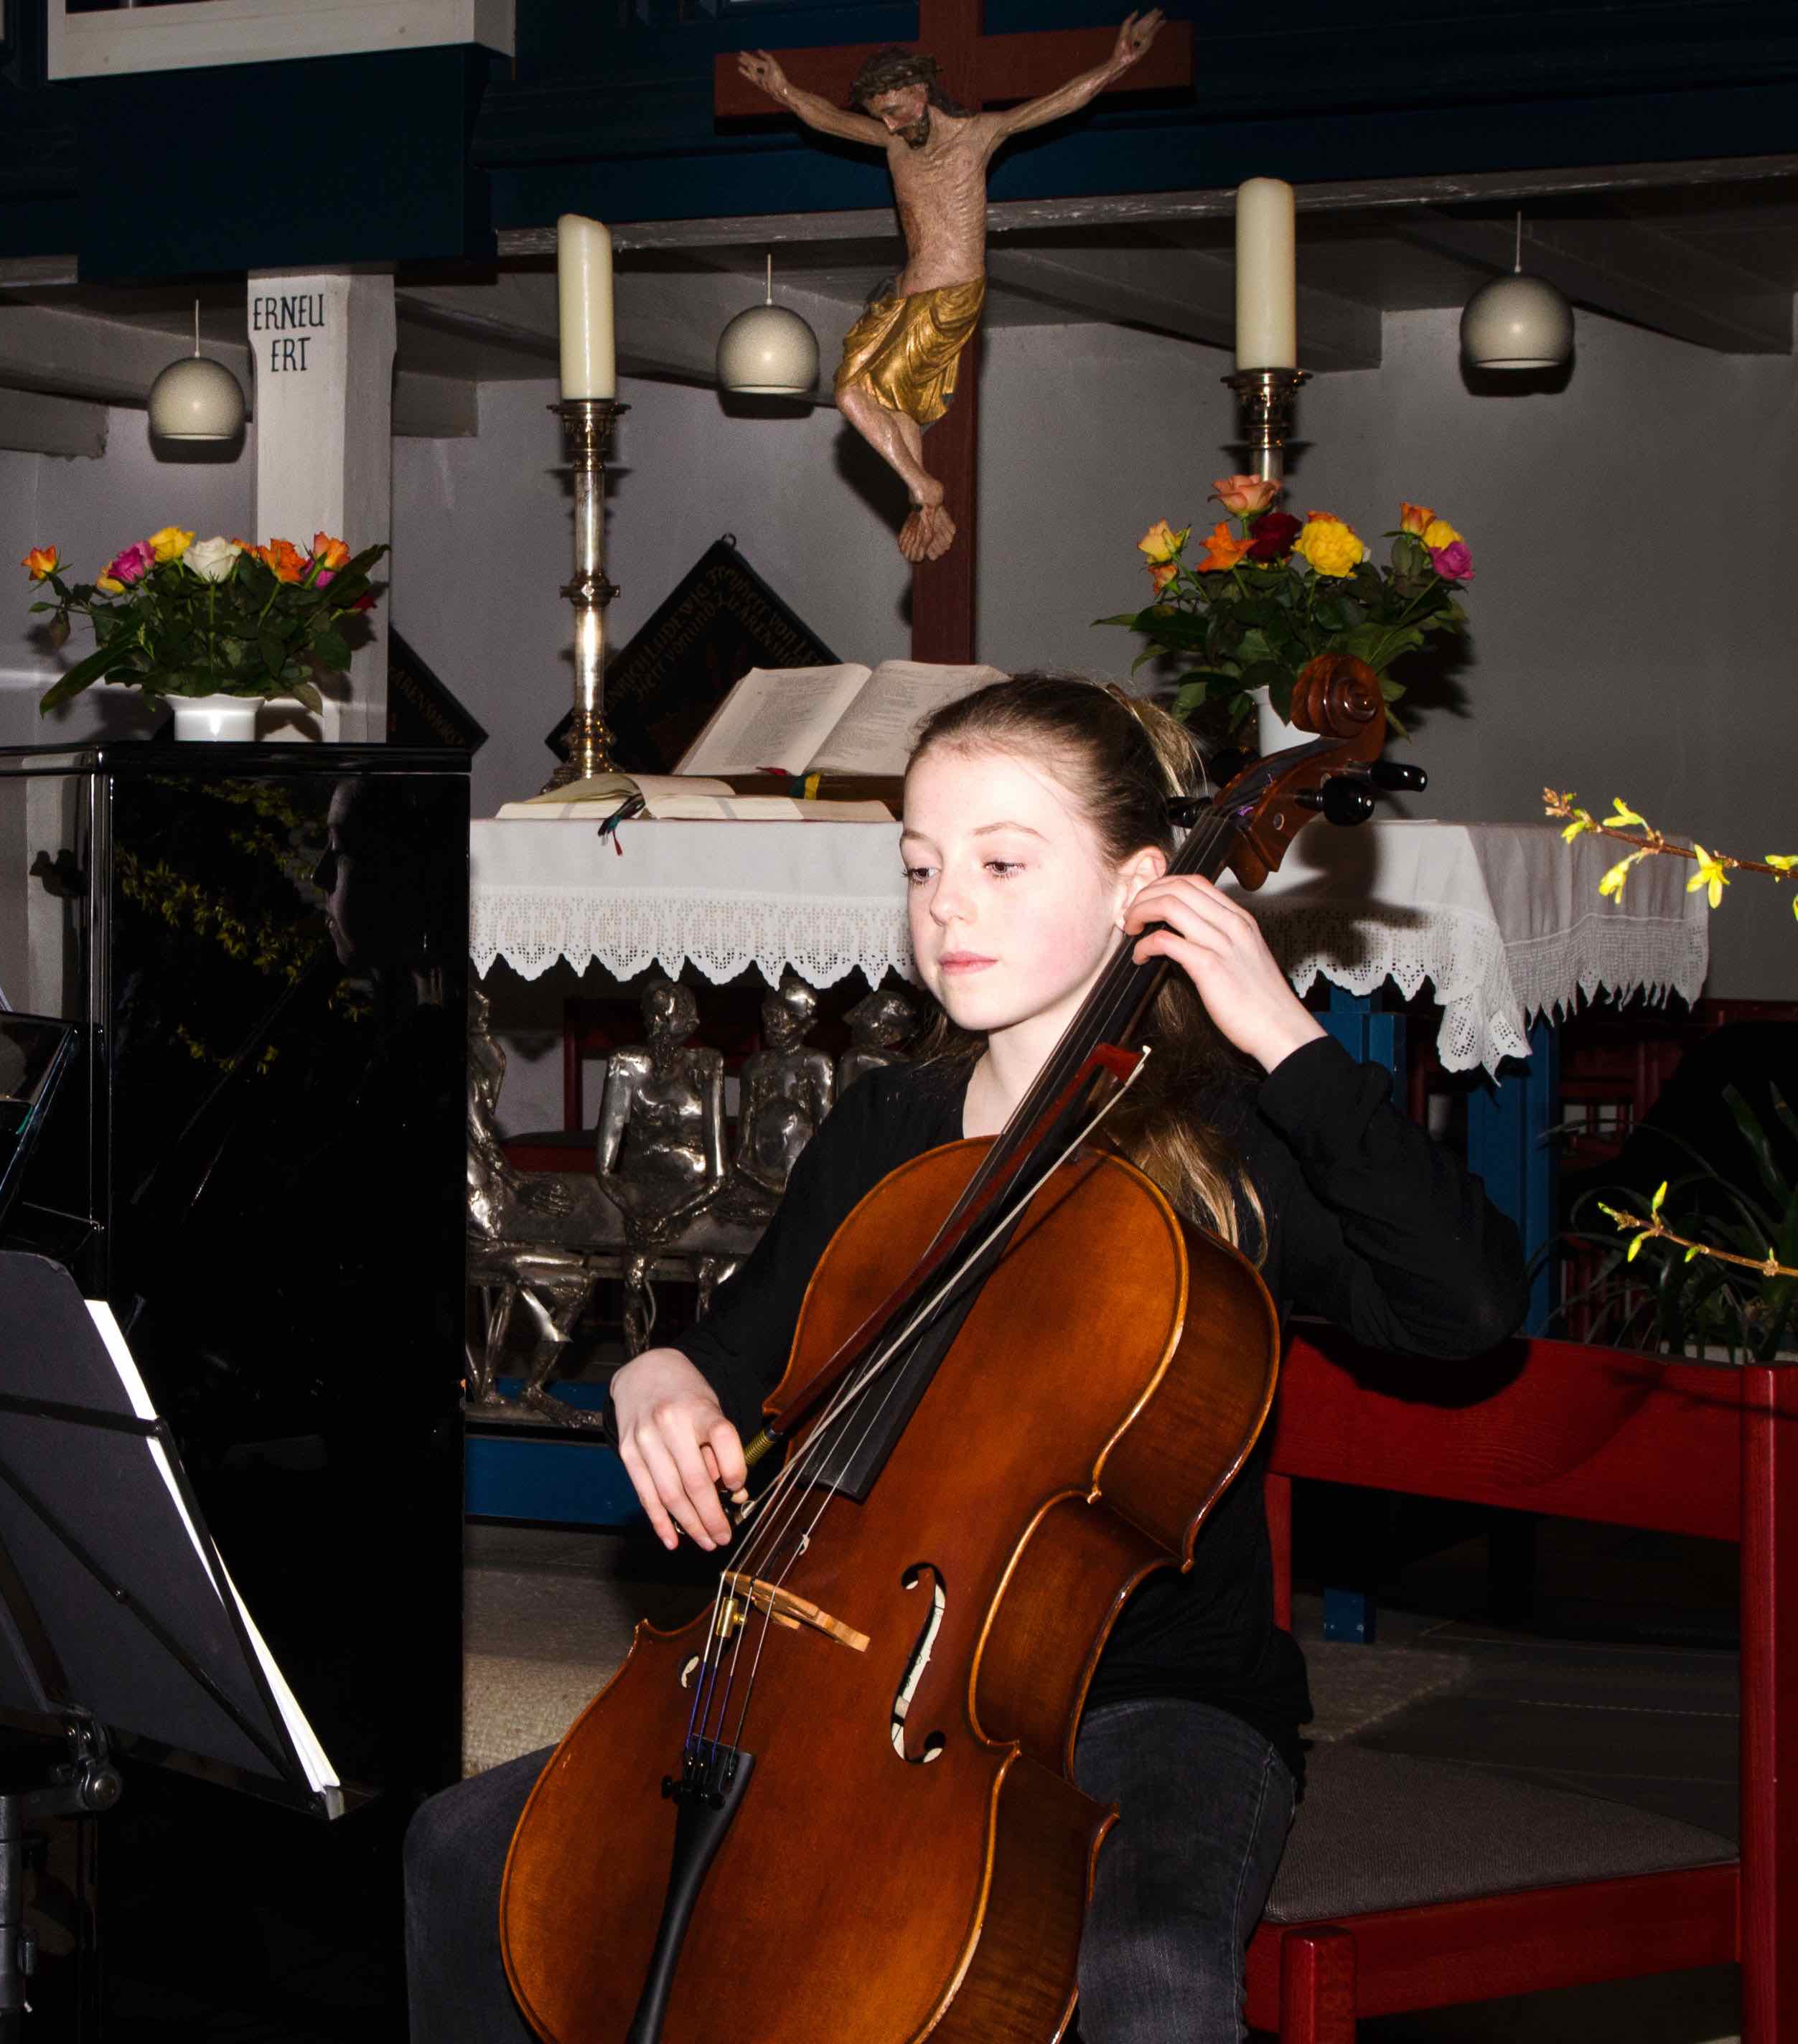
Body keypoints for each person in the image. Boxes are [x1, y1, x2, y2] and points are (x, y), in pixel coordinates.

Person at [405, 675, 1528, 2042]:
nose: (946, 904)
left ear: (1145, 885)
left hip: (1148, 1700)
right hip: (847, 1677)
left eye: (1001, 862)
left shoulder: (1224, 1144)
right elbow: (733, 1342)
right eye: (921, 865)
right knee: (466, 1849)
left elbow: (1463, 1307)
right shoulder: (896, 1121)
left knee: (1153, 1974)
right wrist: (660, 1383)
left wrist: (1286, 1036)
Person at [731, 16, 1164, 561]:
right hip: (902, 298)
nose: (887, 126)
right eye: (878, 117)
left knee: (848, 394)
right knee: (893, 405)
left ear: (917, 90)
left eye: (891, 111)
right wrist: (783, 89)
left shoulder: (978, 135)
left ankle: (924, 486)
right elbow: (826, 121)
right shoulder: (893, 146)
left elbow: (1055, 104)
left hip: (949, 297)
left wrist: (1118, 63)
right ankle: (922, 501)